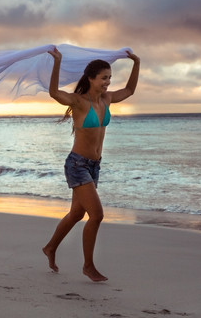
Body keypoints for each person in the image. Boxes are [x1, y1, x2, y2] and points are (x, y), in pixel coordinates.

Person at [42, 47, 140, 282]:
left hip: (95, 165)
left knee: (77, 214)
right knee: (96, 215)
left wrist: (137, 62)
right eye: (104, 78)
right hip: (77, 164)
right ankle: (88, 265)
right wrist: (58, 62)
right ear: (91, 78)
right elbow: (54, 92)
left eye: (109, 78)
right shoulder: (79, 102)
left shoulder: (107, 99)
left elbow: (129, 90)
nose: (107, 82)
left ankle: (50, 247)